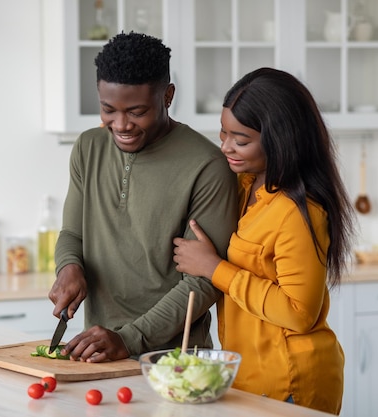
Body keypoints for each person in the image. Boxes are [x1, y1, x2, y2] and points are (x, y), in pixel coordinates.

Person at [172, 67, 355, 415]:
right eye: (223, 134)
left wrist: (214, 268)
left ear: (281, 139)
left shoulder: (297, 213)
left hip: (291, 381)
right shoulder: (245, 187)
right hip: (250, 377)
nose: (226, 147)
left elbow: (299, 314)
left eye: (240, 140)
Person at [48, 32, 239, 363]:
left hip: (176, 361)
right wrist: (68, 266)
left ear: (167, 96)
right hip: (98, 352)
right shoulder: (88, 148)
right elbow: (72, 234)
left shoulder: (207, 165)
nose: (121, 124)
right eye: (108, 109)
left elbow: (204, 281)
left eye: (136, 112)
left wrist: (128, 338)